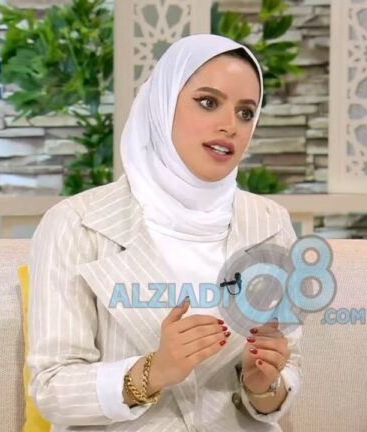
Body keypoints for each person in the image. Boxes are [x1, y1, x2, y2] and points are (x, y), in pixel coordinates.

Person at [27, 34, 302, 432]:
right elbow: (51, 388)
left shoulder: (271, 224)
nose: (230, 126)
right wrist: (152, 372)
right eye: (208, 102)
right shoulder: (76, 223)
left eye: (246, 112)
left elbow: (288, 373)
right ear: (163, 104)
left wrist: (262, 385)